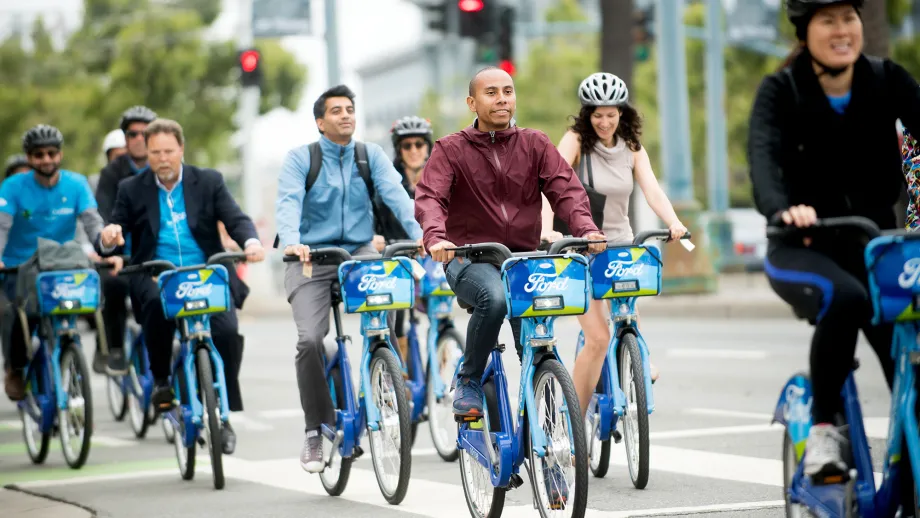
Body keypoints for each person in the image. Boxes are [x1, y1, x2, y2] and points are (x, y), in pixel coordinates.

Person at [749, 0, 920, 480]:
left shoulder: (888, 81)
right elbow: (762, 159)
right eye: (828, 21)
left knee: (906, 334)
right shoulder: (781, 91)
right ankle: (824, 430)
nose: (842, 30)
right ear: (805, 33)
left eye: (849, 18)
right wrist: (783, 207)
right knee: (846, 299)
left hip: (874, 247)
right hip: (801, 247)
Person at [414, 66, 607, 420]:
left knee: (536, 343)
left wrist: (586, 228)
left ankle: (544, 419)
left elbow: (566, 189)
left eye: (508, 91)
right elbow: (430, 198)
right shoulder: (450, 149)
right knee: (496, 298)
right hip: (469, 259)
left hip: (523, 260)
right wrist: (436, 237)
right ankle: (469, 378)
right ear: (472, 103)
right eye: (491, 93)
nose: (502, 98)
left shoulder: (535, 143)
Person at [275, 84, 423, 473]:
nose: (345, 115)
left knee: (388, 297)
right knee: (309, 340)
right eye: (336, 111)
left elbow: (398, 196)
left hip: (358, 251)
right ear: (320, 122)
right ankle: (316, 428)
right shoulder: (300, 159)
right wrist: (292, 242)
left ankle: (385, 375)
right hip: (311, 257)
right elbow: (288, 202)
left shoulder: (368, 155)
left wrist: (424, 233)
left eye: (350, 109)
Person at [97, 118, 265, 455]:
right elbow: (116, 230)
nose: (162, 158)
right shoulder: (132, 188)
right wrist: (109, 237)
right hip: (155, 272)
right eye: (155, 152)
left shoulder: (209, 181)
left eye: (169, 151)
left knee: (228, 332)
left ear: (181, 150)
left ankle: (224, 412)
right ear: (147, 152)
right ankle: (161, 381)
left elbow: (236, 218)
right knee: (158, 309)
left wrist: (250, 242)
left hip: (205, 271)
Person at [541, 72, 687, 416]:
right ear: (586, 114)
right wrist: (549, 230)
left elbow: (651, 189)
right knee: (597, 338)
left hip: (620, 247)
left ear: (622, 112)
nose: (604, 122)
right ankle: (573, 418)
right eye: (597, 114)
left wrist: (674, 222)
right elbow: (549, 186)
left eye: (611, 113)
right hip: (581, 249)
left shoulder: (632, 148)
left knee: (626, 316)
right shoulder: (576, 141)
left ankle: (637, 356)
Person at [0, 125, 120, 400]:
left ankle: (93, 354)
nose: (46, 159)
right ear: (29, 158)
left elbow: (92, 223)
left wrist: (105, 248)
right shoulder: (13, 186)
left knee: (92, 303)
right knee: (16, 316)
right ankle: (15, 369)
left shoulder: (76, 184)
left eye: (51, 153)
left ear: (60, 154)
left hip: (61, 265)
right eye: (38, 154)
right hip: (19, 268)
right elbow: (2, 226)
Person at [94, 106, 157, 374]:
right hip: (123, 255)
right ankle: (115, 346)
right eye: (133, 133)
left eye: (146, 133)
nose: (140, 138)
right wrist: (112, 250)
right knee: (114, 285)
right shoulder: (111, 174)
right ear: (125, 137)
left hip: (157, 254)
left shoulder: (164, 167)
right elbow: (105, 217)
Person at [375, 115, 434, 367]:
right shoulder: (388, 182)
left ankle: (445, 348)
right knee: (397, 316)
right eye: (406, 145)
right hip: (398, 257)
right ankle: (401, 375)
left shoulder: (439, 178)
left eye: (419, 144)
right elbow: (374, 218)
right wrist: (377, 238)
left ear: (428, 147)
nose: (413, 151)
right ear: (398, 150)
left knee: (444, 309)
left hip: (433, 259)